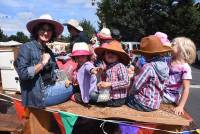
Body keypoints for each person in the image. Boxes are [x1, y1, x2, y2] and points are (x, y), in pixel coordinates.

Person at [15, 14, 73, 108]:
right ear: (37, 30)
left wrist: (64, 78)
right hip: (39, 96)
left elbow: (55, 73)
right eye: (43, 29)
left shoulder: (49, 51)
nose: (46, 33)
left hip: (49, 88)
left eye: (49, 30)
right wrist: (42, 63)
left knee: (70, 83)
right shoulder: (26, 47)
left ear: (52, 33)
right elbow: (23, 74)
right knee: (73, 88)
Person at [127, 35, 172, 112]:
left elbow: (137, 85)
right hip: (156, 103)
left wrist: (130, 91)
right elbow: (166, 83)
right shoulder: (165, 65)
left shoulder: (148, 66)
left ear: (146, 54)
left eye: (143, 54)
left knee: (124, 99)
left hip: (143, 103)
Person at [90, 40, 130, 107]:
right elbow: (106, 81)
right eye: (108, 53)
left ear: (118, 56)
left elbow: (126, 82)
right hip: (108, 96)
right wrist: (101, 82)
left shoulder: (120, 66)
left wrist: (110, 84)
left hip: (117, 99)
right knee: (91, 94)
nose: (110, 54)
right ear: (104, 56)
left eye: (113, 53)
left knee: (92, 97)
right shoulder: (108, 67)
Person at [163, 37, 196, 115]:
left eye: (173, 44)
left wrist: (181, 106)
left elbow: (186, 88)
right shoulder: (167, 60)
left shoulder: (185, 67)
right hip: (161, 91)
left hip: (170, 97)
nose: (170, 45)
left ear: (182, 49)